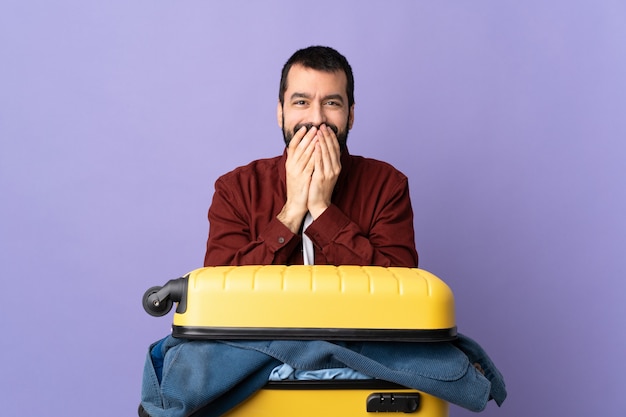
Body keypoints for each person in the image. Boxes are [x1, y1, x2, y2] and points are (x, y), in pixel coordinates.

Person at [203, 46, 418, 267]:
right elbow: (221, 291)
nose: (316, 119)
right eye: (301, 102)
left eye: (331, 103)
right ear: (281, 113)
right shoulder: (235, 190)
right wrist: (292, 210)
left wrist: (322, 209)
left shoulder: (387, 186)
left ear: (350, 115)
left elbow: (399, 289)